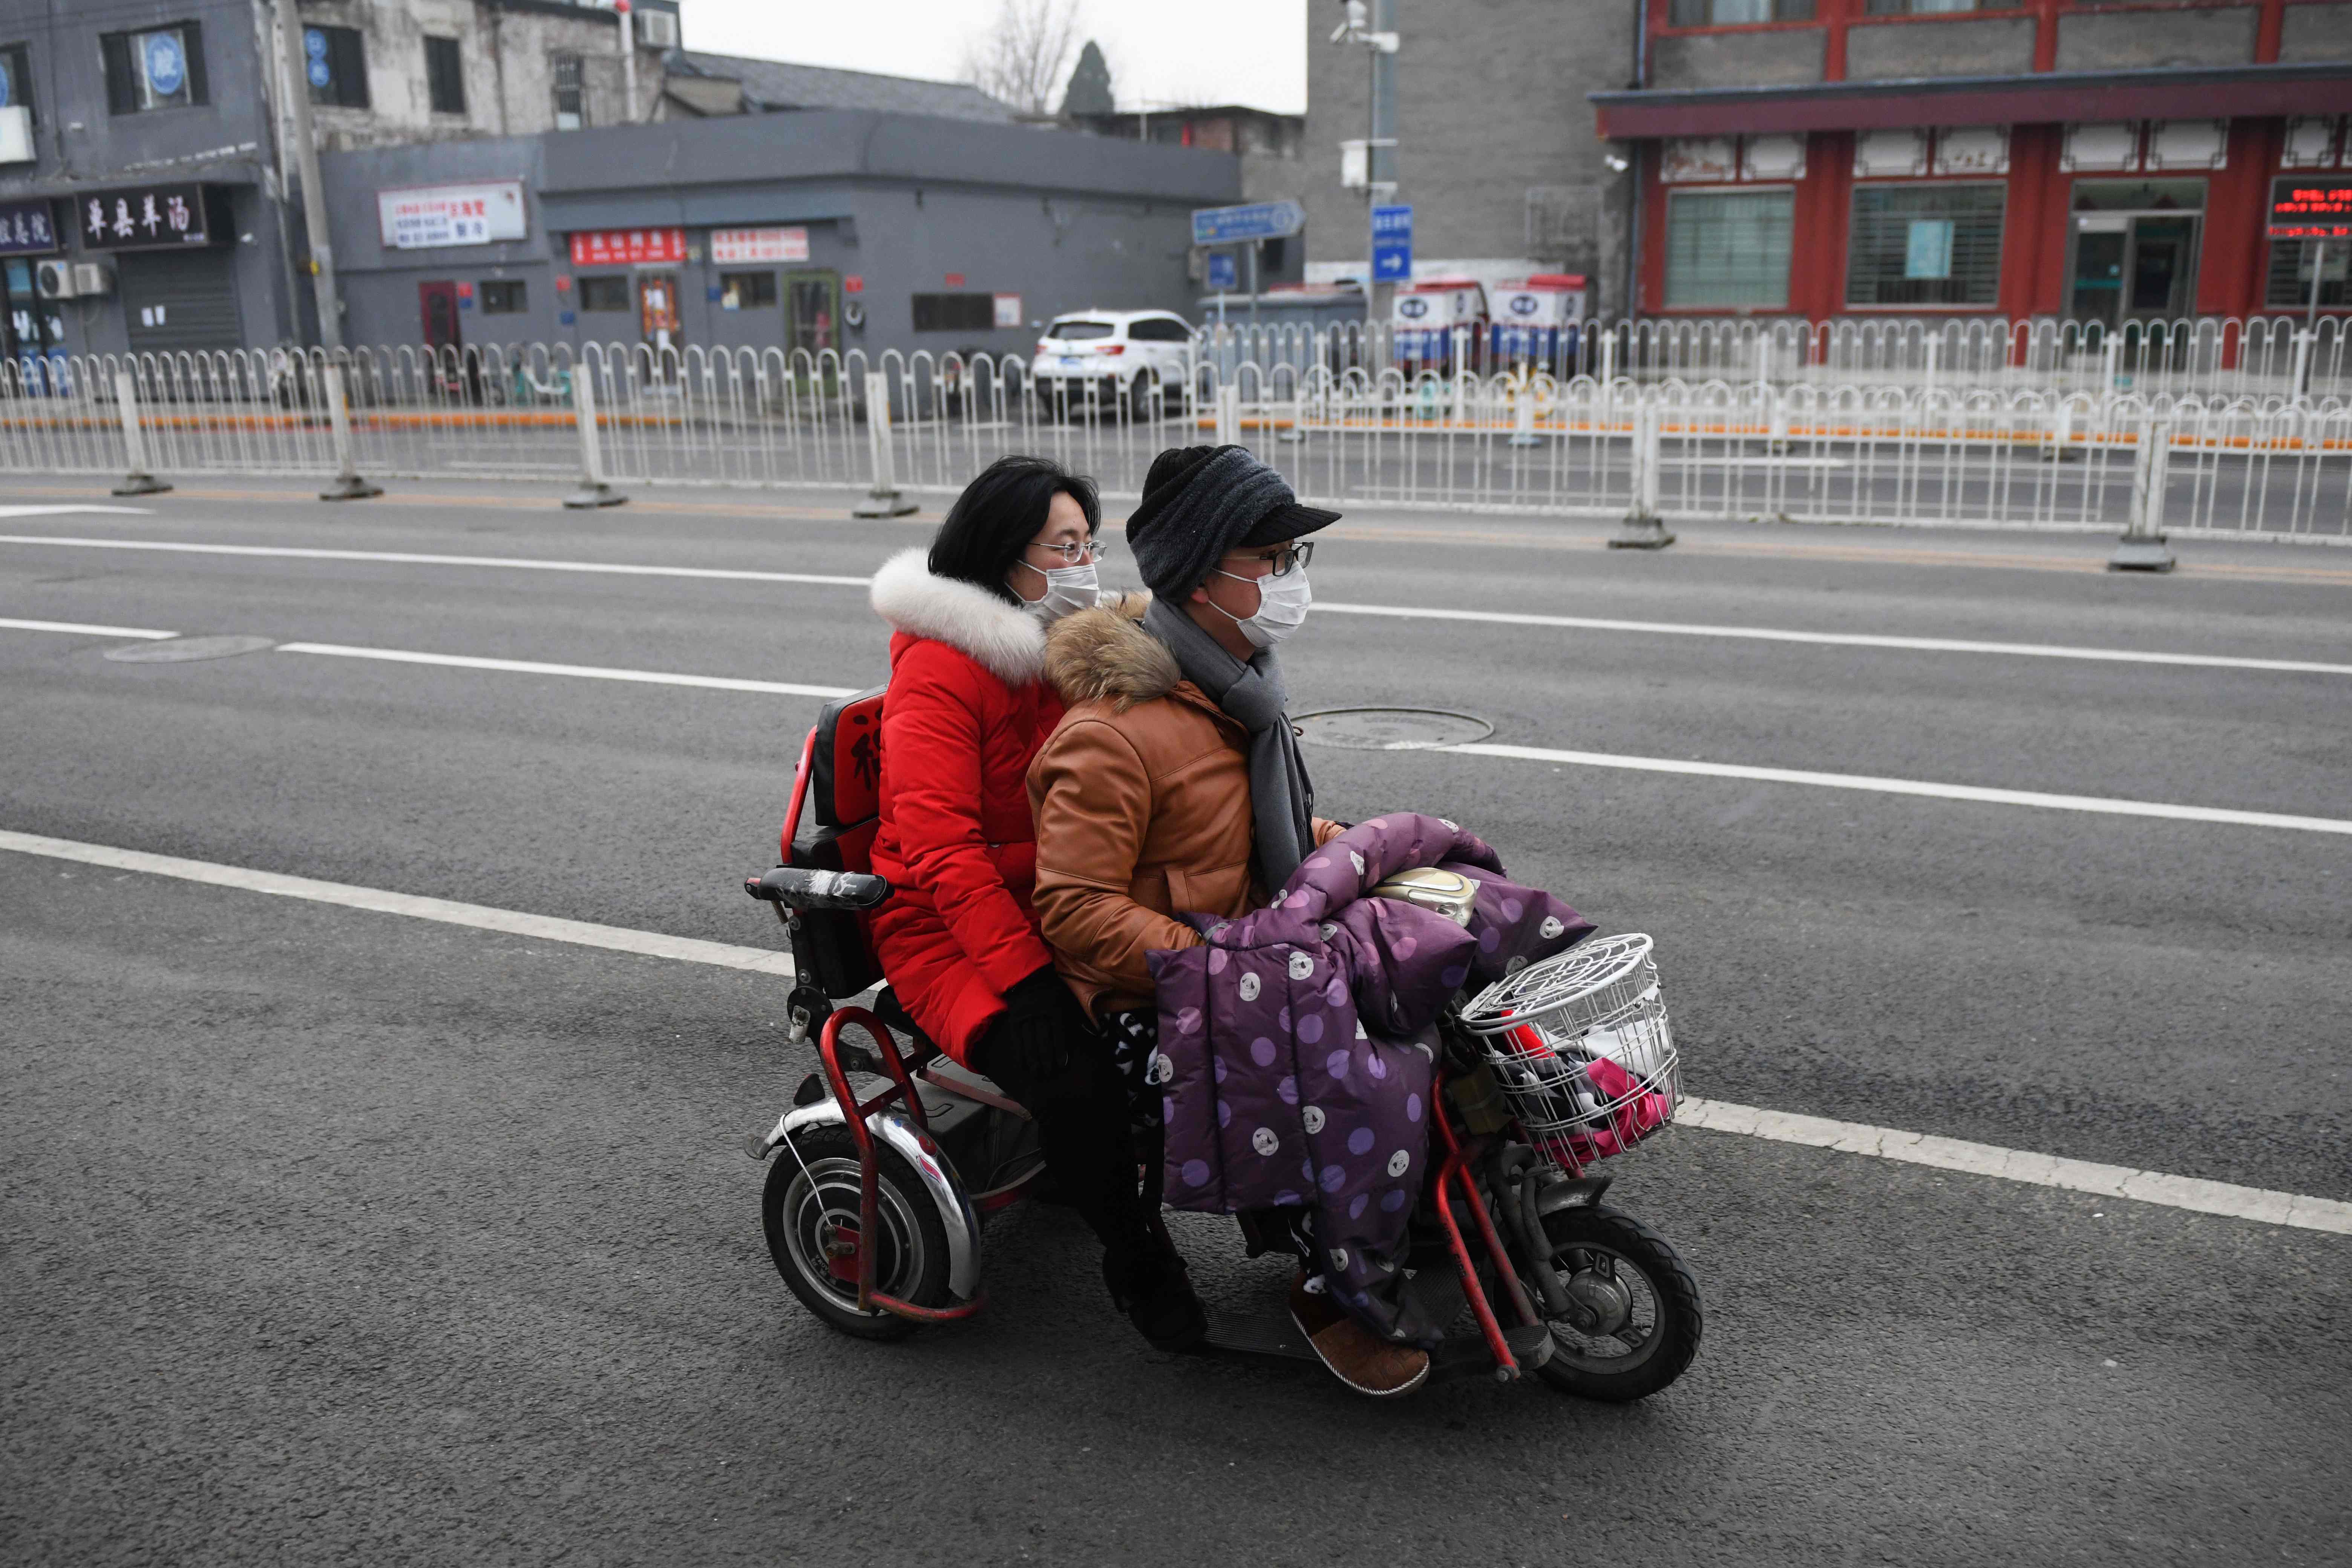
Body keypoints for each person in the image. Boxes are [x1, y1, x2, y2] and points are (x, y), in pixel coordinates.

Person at [1028, 444, 1434, 1397]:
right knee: (1326, 1071)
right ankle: (1329, 1288)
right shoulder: (1113, 732)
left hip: (1256, 949)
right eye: (1273, 557)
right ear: (1201, 576)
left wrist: (1368, 851)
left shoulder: (1242, 690)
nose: (1293, 576)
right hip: (1150, 992)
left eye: (1297, 555)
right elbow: (1074, 908)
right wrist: (1217, 956)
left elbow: (1262, 841)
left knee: (1423, 983)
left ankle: (1403, 1215)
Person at [864, 454, 1207, 1352]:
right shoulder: (939, 672)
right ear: (1005, 556)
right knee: (1079, 1074)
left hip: (1052, 902)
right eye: (1065, 545)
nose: (1085, 563)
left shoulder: (1054, 650)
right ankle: (1138, 1259)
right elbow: (941, 853)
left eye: (1089, 543)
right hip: (945, 932)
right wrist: (1026, 980)